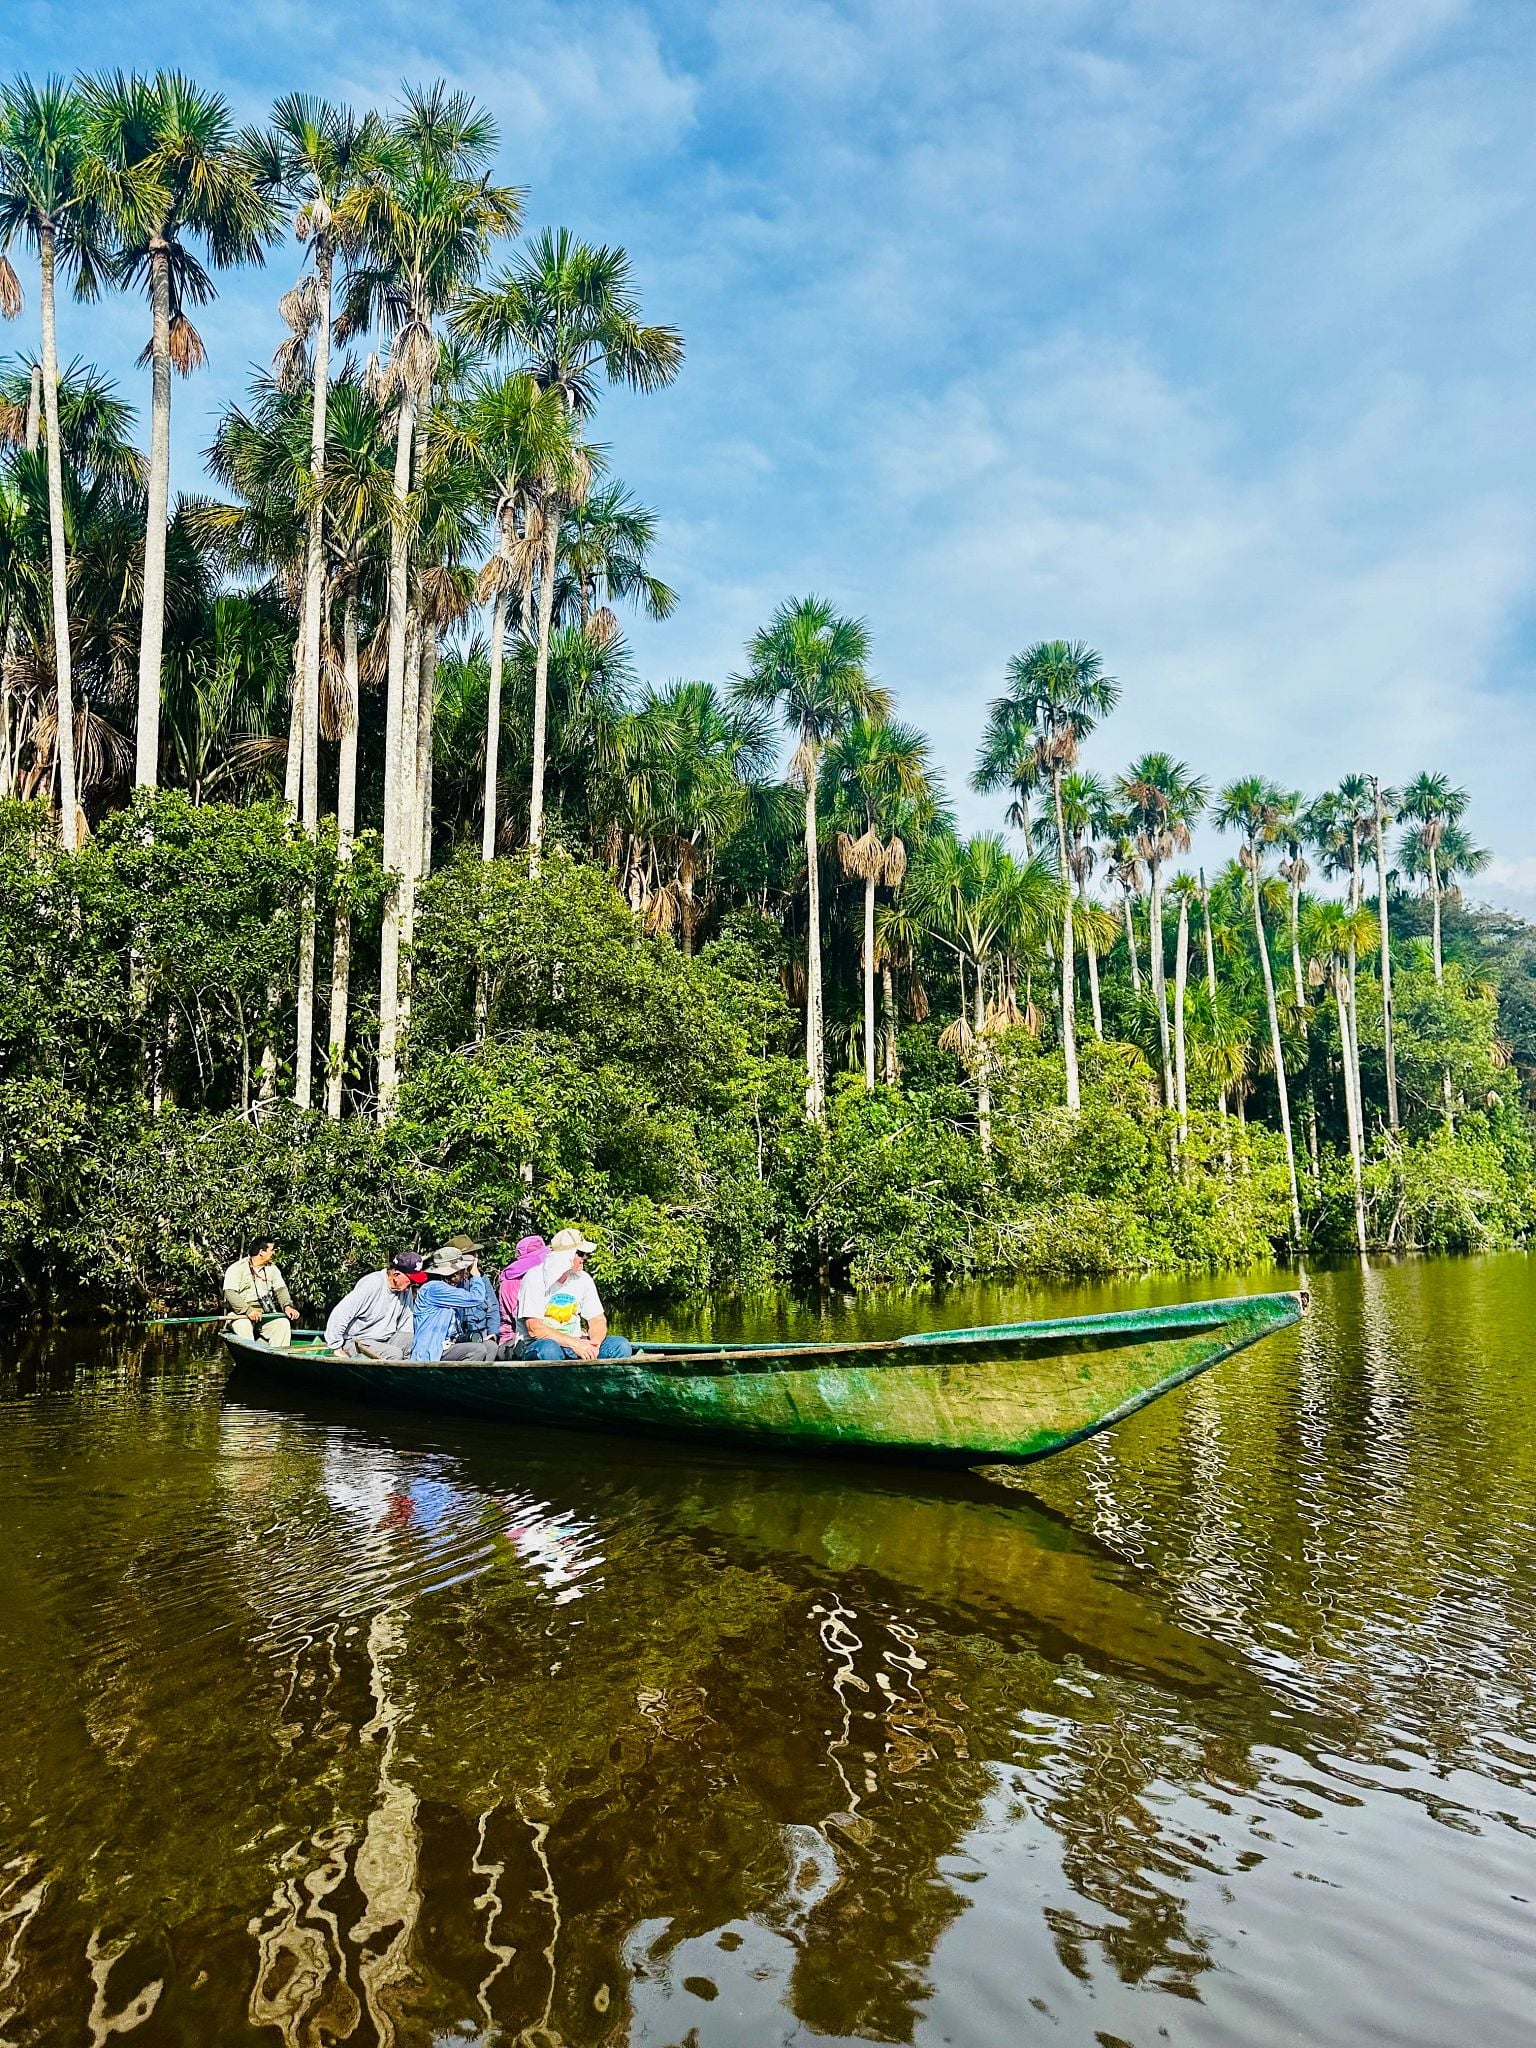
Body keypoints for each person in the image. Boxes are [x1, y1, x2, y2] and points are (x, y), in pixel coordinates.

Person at [516, 1229, 634, 1362]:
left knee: (620, 1345)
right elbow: (535, 1329)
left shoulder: (583, 1279)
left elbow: (597, 1320)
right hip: (540, 1345)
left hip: (576, 1344)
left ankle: (600, 1380)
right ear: (565, 1255)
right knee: (549, 1350)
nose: (585, 1258)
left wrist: (594, 1344)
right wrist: (575, 1344)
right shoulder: (534, 1278)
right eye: (580, 1253)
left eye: (586, 1254)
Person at [325, 1253, 426, 1359]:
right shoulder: (372, 1284)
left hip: (386, 1340)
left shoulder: (405, 1290)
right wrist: (336, 1347)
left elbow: (406, 1325)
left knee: (419, 1342)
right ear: (396, 1275)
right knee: (394, 1354)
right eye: (411, 1281)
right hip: (357, 1341)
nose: (413, 1285)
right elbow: (341, 1313)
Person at [411, 1248, 500, 1363]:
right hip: (433, 1349)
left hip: (450, 1344)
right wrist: (476, 1275)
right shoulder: (434, 1288)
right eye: (462, 1269)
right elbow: (476, 1297)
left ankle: (481, 1380)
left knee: (490, 1347)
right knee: (477, 1350)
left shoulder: (450, 1288)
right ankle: (459, 1380)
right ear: (454, 1272)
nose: (465, 1272)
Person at [224, 1235, 299, 1346]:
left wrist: (287, 1306)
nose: (274, 1253)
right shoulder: (237, 1268)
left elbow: (281, 1289)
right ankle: (251, 1357)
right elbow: (230, 1293)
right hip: (240, 1314)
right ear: (261, 1252)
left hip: (264, 1314)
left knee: (282, 1323)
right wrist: (248, 1311)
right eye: (272, 1250)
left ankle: (279, 1358)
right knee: (243, 1325)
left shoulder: (272, 1268)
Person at [446, 1235, 499, 1345]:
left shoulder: (482, 1279)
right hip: (458, 1339)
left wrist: (493, 1333)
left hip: (481, 1335)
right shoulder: (450, 1282)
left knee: (491, 1346)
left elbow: (492, 1308)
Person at [498, 1235, 548, 1345]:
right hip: (516, 1339)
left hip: (546, 1333)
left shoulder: (546, 1277)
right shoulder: (511, 1281)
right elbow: (520, 1318)